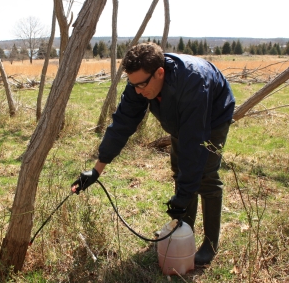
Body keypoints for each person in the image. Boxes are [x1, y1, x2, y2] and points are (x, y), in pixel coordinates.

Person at [71, 42, 236, 266]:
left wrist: (184, 194)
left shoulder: (193, 82)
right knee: (181, 172)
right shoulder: (140, 83)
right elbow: (121, 125)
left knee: (205, 176)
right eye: (133, 85)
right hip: (180, 119)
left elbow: (193, 142)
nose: (138, 91)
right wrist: (97, 169)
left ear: (160, 72)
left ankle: (210, 244)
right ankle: (184, 230)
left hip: (213, 116)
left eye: (141, 85)